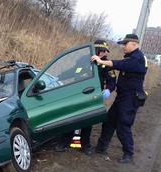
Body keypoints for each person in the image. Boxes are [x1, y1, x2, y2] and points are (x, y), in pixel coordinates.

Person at [91, 34, 148, 163]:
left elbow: (120, 64)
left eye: (125, 44)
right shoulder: (131, 57)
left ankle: (128, 153)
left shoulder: (138, 58)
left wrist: (101, 61)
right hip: (122, 97)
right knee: (109, 121)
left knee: (123, 125)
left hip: (130, 98)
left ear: (134, 44)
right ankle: (101, 147)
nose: (122, 46)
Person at [54, 40, 116, 154]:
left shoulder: (106, 63)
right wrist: (58, 77)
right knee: (71, 118)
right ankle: (65, 142)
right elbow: (74, 71)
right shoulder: (82, 60)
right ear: (95, 50)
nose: (103, 54)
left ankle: (85, 145)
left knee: (87, 120)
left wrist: (108, 90)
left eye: (105, 52)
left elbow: (112, 81)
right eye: (101, 51)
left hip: (92, 95)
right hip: (77, 93)